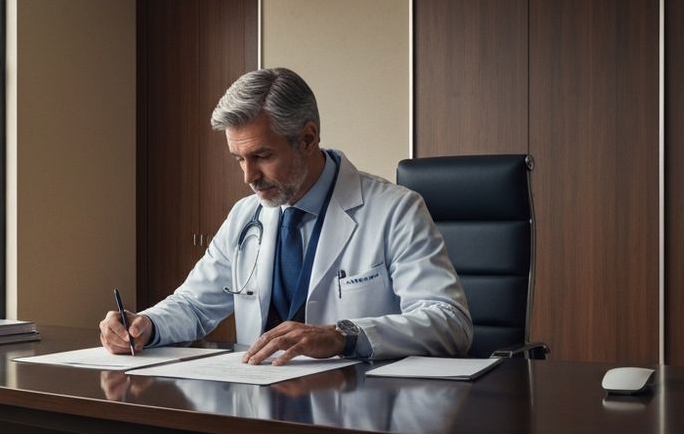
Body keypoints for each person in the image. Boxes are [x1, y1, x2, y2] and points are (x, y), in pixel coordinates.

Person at [99, 67, 472, 365]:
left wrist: (344, 335)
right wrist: (146, 324)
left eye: (262, 156)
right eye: (239, 160)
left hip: (363, 408)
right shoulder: (247, 215)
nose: (249, 177)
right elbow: (195, 304)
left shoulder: (395, 210)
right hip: (259, 407)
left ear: (308, 139)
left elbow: (449, 322)